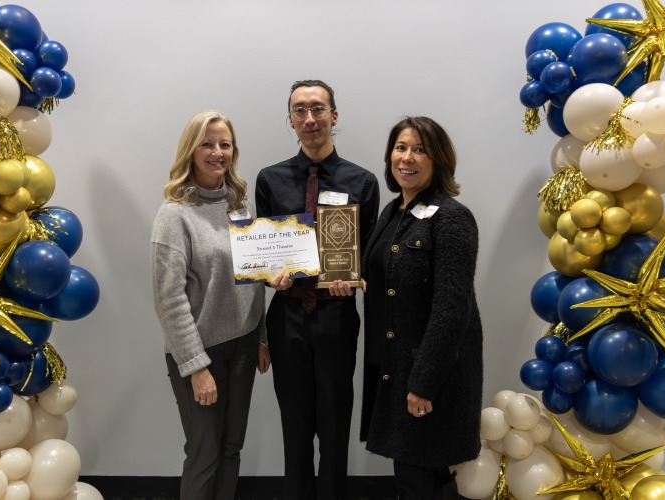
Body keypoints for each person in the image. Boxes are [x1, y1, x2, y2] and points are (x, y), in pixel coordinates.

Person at [255, 79, 380, 499]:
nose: (310, 119)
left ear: (334, 116)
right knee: (294, 428)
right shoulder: (269, 179)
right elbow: (264, 251)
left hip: (336, 315)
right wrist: (269, 273)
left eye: (318, 109)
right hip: (286, 314)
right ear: (290, 120)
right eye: (300, 110)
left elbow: (365, 254)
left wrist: (356, 278)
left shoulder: (362, 182)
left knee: (333, 424)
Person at [360, 116, 483, 499]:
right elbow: (391, 276)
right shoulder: (392, 212)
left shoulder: (452, 218)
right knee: (417, 474)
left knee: (418, 476)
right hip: (394, 365)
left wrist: (424, 382)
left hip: (429, 373)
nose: (407, 158)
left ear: (438, 159)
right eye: (400, 148)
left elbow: (451, 308)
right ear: (389, 156)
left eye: (419, 149)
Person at [151, 111, 270, 500]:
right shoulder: (174, 215)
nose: (217, 152)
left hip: (244, 344)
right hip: (201, 354)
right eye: (207, 143)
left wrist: (263, 336)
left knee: (231, 448)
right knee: (204, 454)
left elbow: (251, 276)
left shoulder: (239, 205)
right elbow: (169, 299)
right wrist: (196, 366)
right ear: (191, 150)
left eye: (225, 144)